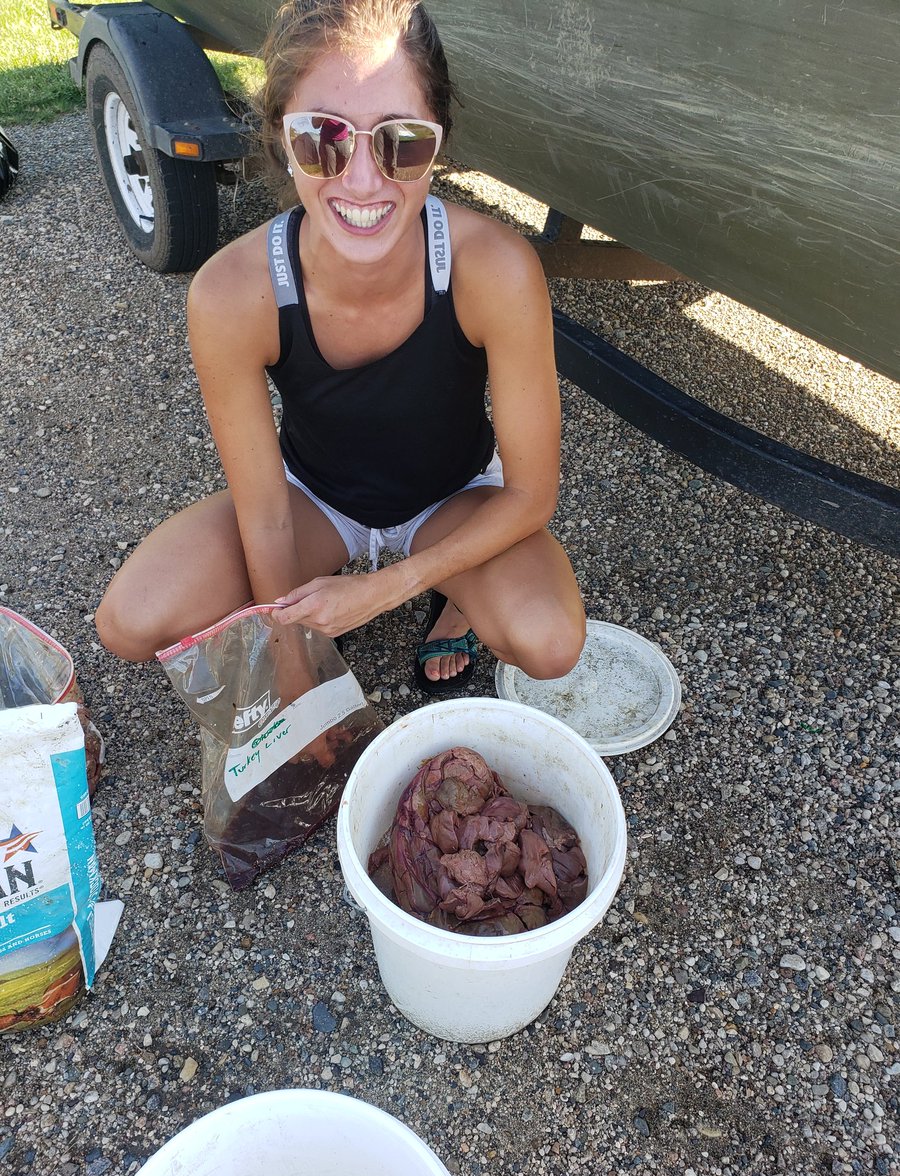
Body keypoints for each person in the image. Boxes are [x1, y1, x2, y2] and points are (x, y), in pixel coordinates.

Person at [95, 0, 585, 695]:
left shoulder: (495, 268)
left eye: (401, 142)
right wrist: (294, 666)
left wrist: (386, 590)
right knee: (132, 620)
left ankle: (453, 593)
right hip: (314, 499)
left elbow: (532, 495)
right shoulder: (232, 292)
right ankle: (343, 602)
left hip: (456, 496)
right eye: (321, 138)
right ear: (279, 138)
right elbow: (264, 511)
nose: (361, 179)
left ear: (439, 143)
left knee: (549, 641)